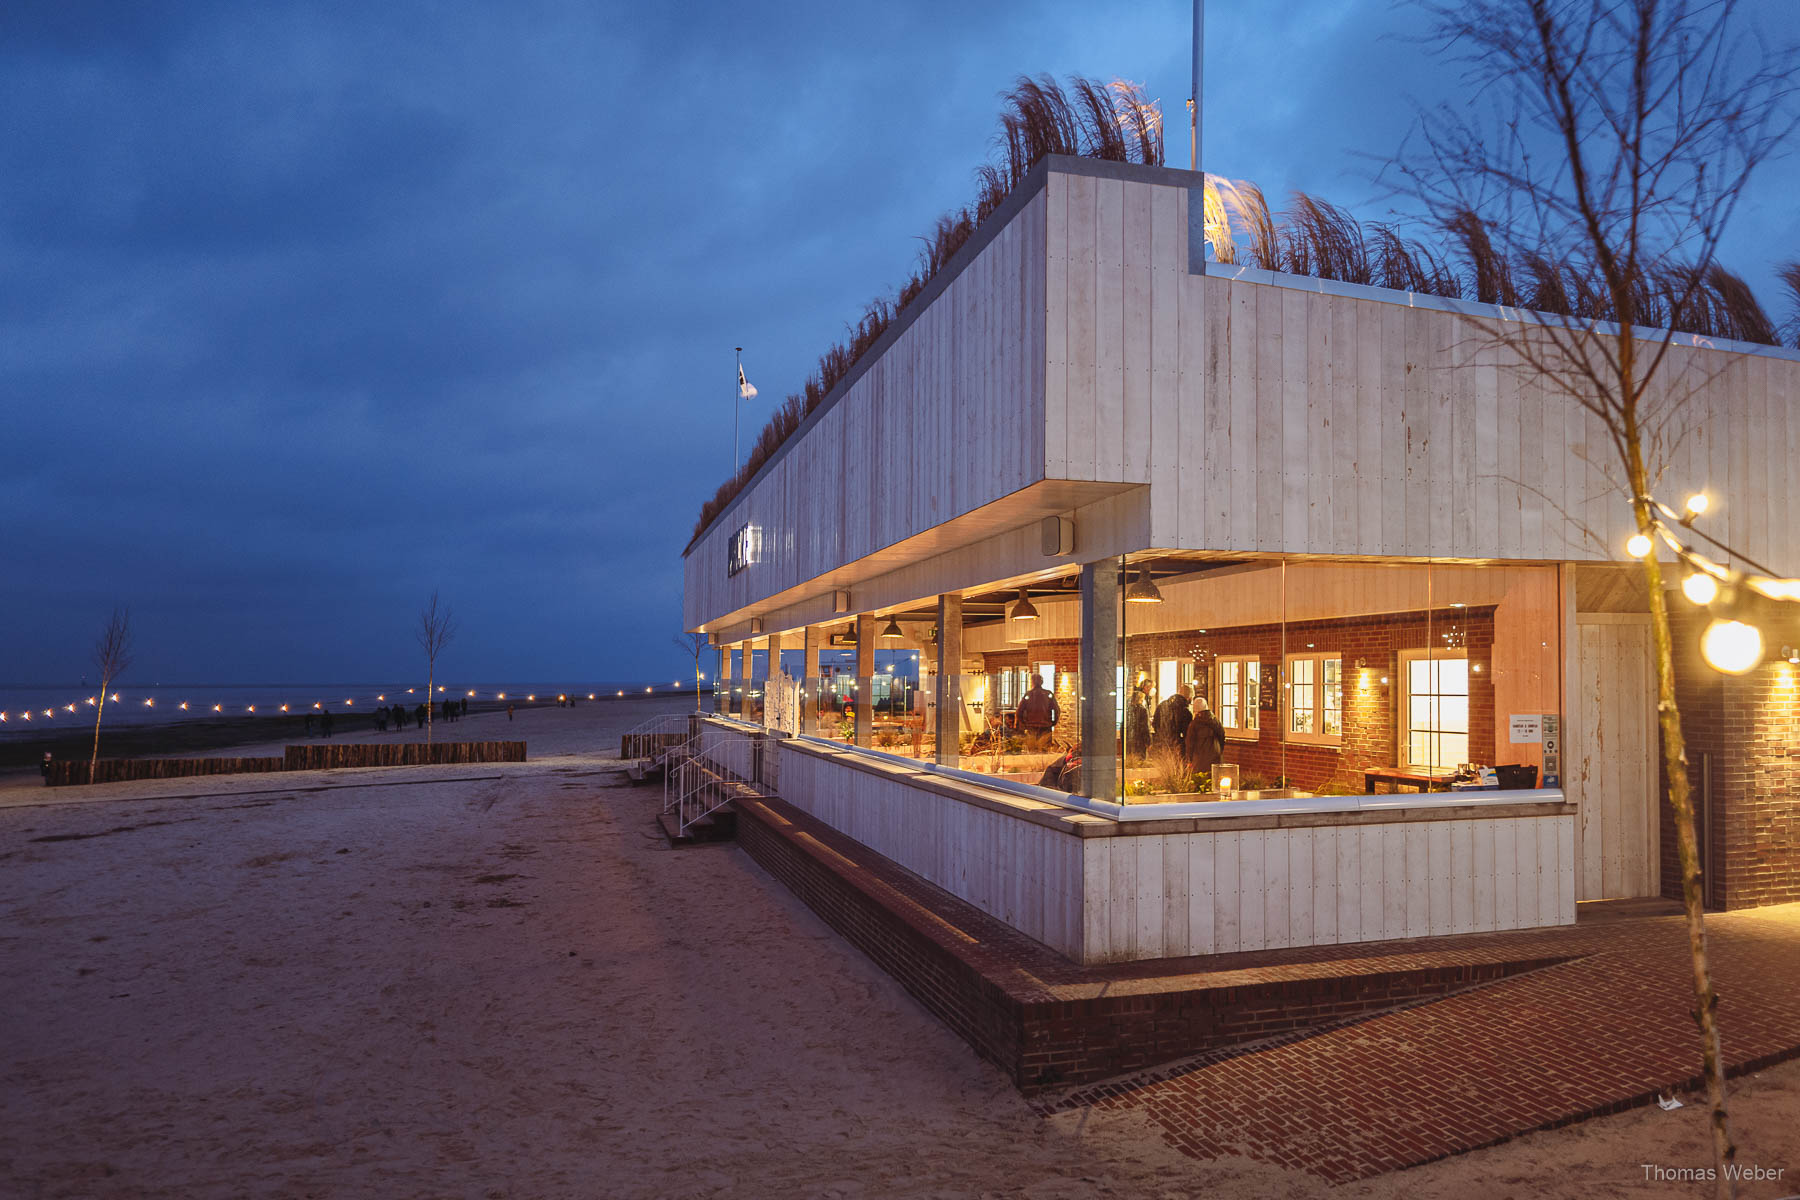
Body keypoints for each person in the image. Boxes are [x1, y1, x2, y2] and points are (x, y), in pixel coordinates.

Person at [1184, 695, 1227, 777]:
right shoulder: (1215, 721)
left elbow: (1190, 743)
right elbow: (1222, 737)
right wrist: (1219, 750)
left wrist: (1189, 759)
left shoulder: (1194, 724)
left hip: (1200, 758)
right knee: (1215, 779)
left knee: (1200, 780)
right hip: (1215, 756)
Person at [1016, 673, 1058, 752]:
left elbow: (1019, 712)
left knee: (1032, 753)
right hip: (1046, 727)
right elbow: (1056, 710)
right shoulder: (1048, 694)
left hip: (1031, 727)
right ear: (1042, 682)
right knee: (1044, 753)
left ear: (1032, 682)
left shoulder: (1028, 694)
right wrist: (1053, 722)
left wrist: (1024, 723)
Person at [1153, 684, 1192, 751]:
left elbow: (1155, 724)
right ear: (1189, 697)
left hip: (1159, 744)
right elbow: (1187, 734)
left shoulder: (1162, 705)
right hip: (1175, 747)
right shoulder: (1185, 711)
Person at [1125, 684, 1152, 763]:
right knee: (1140, 760)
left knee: (1131, 761)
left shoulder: (1128, 710)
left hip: (1130, 740)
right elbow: (1145, 727)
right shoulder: (1142, 710)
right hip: (1140, 740)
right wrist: (1148, 741)